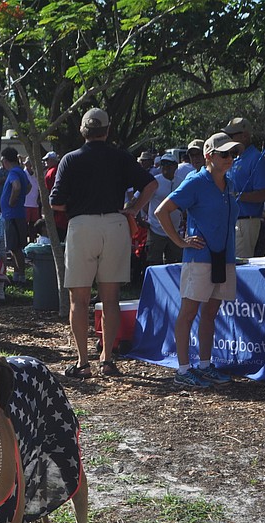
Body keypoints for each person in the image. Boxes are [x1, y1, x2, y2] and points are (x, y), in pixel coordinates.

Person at [50, 108, 157, 377]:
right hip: (115, 223)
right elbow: (150, 184)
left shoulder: (70, 160)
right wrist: (132, 208)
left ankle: (83, 362)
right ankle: (107, 359)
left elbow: (56, 202)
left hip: (82, 225)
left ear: (83, 130)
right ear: (107, 130)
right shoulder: (120, 157)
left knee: (79, 299)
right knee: (111, 298)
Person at [154, 133, 242, 388]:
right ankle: (183, 369)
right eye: (224, 154)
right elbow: (163, 211)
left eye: (232, 154)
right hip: (200, 258)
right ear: (209, 156)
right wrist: (180, 242)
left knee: (211, 313)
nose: (229, 159)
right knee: (189, 311)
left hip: (224, 258)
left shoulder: (230, 182)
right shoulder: (195, 182)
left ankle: (205, 365)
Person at [222, 117, 265, 258]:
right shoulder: (235, 158)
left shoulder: (257, 158)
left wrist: (237, 195)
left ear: (244, 135)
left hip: (246, 222)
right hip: (232, 220)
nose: (228, 139)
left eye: (231, 136)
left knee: (239, 265)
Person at [145, 153, 185, 265]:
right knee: (154, 261)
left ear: (176, 166)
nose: (165, 167)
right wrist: (143, 219)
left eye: (169, 164)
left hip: (175, 230)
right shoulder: (154, 181)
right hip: (156, 229)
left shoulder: (181, 182)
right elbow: (140, 199)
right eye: (163, 164)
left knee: (175, 262)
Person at [0, 146, 30, 284]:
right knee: (14, 246)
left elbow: (16, 187)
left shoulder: (13, 173)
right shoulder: (21, 171)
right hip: (16, 214)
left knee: (15, 247)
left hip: (12, 214)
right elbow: (28, 187)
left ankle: (20, 275)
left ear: (5, 160)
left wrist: (12, 201)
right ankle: (18, 273)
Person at [23, 156, 41, 243]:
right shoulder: (23, 174)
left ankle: (32, 241)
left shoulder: (36, 175)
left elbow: (38, 189)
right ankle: (24, 242)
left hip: (34, 204)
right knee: (24, 225)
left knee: (33, 225)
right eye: (29, 164)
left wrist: (38, 199)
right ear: (26, 164)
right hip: (25, 204)